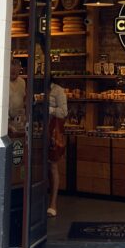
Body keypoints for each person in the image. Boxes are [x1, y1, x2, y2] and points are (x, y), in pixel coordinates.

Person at [46, 80, 67, 218]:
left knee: (52, 166)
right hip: (36, 130)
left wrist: (49, 109)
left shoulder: (58, 90)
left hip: (52, 132)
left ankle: (53, 203)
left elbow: (64, 112)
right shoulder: (31, 86)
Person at [8, 55, 26, 136]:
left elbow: (25, 100)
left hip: (18, 122)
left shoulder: (22, 82)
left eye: (15, 70)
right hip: (6, 122)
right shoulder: (3, 82)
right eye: (11, 70)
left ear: (19, 69)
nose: (13, 72)